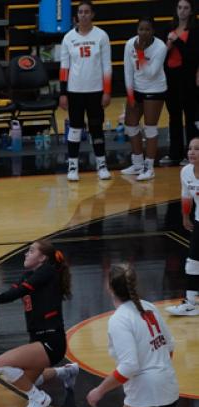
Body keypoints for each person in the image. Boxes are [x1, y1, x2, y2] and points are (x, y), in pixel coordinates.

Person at [87, 263, 191, 407]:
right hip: (167, 387)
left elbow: (129, 366)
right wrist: (159, 369)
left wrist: (99, 390)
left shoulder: (120, 319)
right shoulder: (148, 307)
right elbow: (170, 346)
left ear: (110, 287)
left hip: (146, 395)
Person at [0, 240, 79, 407]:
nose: (25, 254)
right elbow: (14, 291)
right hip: (39, 340)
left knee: (2, 364)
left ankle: (39, 399)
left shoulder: (47, 272)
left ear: (42, 258)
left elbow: (21, 290)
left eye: (31, 251)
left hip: (51, 341)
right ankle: (66, 372)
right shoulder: (29, 275)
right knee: (23, 381)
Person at [59, 0, 112, 182]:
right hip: (74, 91)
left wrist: (107, 91)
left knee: (96, 127)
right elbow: (64, 68)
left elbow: (107, 66)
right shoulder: (68, 38)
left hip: (96, 90)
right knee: (75, 128)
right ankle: (73, 165)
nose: (83, 15)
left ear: (92, 14)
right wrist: (63, 93)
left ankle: (102, 164)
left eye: (87, 12)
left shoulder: (101, 36)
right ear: (76, 16)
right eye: (80, 12)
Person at [120, 17, 167, 181]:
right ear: (137, 30)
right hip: (137, 89)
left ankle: (149, 167)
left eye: (147, 29)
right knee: (130, 125)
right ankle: (138, 163)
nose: (144, 32)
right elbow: (127, 71)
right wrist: (130, 94)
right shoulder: (129, 44)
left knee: (150, 128)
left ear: (153, 31)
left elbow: (152, 72)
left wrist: (140, 53)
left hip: (155, 89)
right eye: (141, 29)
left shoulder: (160, 47)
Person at [160, 0, 199, 167]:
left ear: (191, 11)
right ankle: (174, 153)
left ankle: (190, 153)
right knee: (173, 115)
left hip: (188, 77)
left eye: (186, 8)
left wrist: (177, 41)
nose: (182, 11)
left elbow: (192, 55)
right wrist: (166, 47)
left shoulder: (195, 30)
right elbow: (161, 55)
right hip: (171, 77)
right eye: (180, 7)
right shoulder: (169, 29)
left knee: (190, 116)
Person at [165, 136, 199, 316]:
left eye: (197, 149)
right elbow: (186, 195)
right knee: (192, 262)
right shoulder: (186, 171)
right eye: (190, 148)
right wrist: (186, 217)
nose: (192, 152)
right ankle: (191, 303)